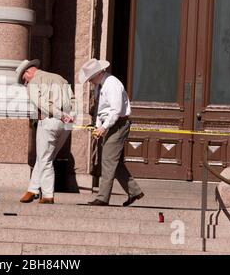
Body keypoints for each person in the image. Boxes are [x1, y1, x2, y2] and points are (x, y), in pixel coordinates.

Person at [78, 58, 144, 206]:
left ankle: (102, 197)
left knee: (108, 160)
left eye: (91, 78)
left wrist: (103, 127)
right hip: (111, 124)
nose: (89, 81)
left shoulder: (112, 84)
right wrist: (98, 126)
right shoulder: (100, 86)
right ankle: (134, 191)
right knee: (113, 161)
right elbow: (100, 110)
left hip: (118, 124)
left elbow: (115, 110)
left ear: (98, 73)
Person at [17, 59, 75, 204]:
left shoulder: (34, 82)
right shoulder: (60, 78)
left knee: (45, 159)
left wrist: (59, 114)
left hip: (50, 121)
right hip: (66, 124)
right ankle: (32, 189)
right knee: (45, 156)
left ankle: (48, 195)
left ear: (28, 72)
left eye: (24, 80)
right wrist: (70, 116)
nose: (25, 83)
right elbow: (73, 100)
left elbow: (41, 103)